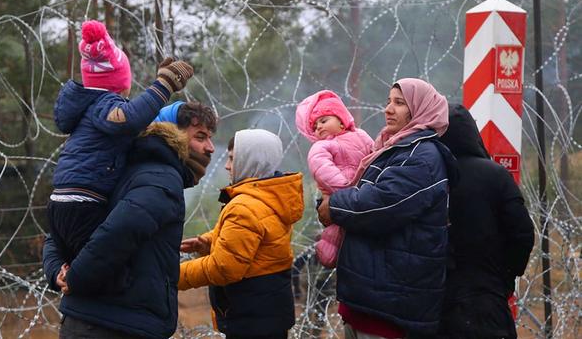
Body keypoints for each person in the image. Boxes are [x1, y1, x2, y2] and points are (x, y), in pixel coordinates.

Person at [42, 102, 217, 338]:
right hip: (117, 325)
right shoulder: (161, 177)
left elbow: (61, 229)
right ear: (172, 132)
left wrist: (56, 272)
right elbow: (120, 231)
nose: (211, 147)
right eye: (201, 136)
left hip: (97, 320)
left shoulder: (123, 169)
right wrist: (75, 279)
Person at [317, 78, 458, 338]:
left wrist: (334, 205)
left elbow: (379, 205)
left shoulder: (421, 156)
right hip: (371, 301)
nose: (388, 109)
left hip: (389, 308)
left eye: (400, 103)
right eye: (388, 102)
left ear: (421, 109)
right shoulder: (392, 148)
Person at [48, 19, 194, 265]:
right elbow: (129, 118)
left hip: (63, 202)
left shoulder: (90, 108)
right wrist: (164, 85)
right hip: (84, 202)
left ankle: (68, 277)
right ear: (118, 81)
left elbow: (139, 121)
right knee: (105, 270)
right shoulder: (105, 105)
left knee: (79, 266)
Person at [178, 129, 304, 339]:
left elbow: (224, 267)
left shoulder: (245, 206)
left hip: (251, 317)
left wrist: (173, 275)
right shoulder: (272, 195)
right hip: (268, 312)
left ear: (252, 161)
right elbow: (257, 237)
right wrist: (210, 241)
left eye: (233, 159)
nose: (227, 166)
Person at [437, 104, 534, 339]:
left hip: (436, 298)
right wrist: (505, 276)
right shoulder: (496, 175)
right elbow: (522, 233)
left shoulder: (430, 176)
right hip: (486, 297)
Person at [295, 90, 374, 268]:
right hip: (341, 195)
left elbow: (374, 154)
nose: (319, 127)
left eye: (324, 121)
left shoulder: (360, 135)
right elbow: (322, 169)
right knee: (336, 232)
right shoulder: (322, 146)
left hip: (363, 192)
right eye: (315, 126)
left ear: (341, 121)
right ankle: (329, 255)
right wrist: (344, 190)